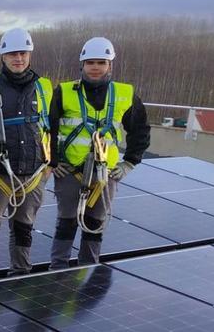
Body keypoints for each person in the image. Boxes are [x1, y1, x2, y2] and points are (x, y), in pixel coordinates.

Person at [48, 37, 150, 268]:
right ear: (82, 65)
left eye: (101, 62)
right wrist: (53, 161)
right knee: (66, 222)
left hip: (106, 174)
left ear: (110, 65)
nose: (95, 67)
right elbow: (48, 128)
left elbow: (140, 130)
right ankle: (57, 270)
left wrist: (129, 162)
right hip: (70, 172)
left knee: (95, 225)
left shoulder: (125, 94)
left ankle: (88, 269)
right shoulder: (64, 92)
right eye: (90, 62)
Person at [0, 28, 54, 280]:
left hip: (33, 173)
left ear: (29, 55)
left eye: (22, 53)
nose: (18, 58)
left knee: (23, 229)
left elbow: (54, 127)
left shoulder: (45, 87)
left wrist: (51, 164)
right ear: (3, 56)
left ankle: (21, 274)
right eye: (12, 54)